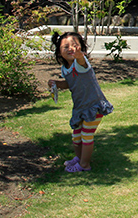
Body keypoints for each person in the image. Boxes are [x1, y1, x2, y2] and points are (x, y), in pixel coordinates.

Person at [47, 32, 114, 173]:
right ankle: (79, 158)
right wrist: (57, 84)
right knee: (76, 136)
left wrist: (79, 56)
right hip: (80, 107)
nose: (71, 48)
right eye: (66, 47)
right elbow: (70, 83)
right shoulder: (65, 68)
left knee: (86, 136)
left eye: (74, 45)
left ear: (81, 48)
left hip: (93, 106)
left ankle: (85, 165)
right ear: (59, 52)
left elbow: (81, 62)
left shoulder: (81, 63)